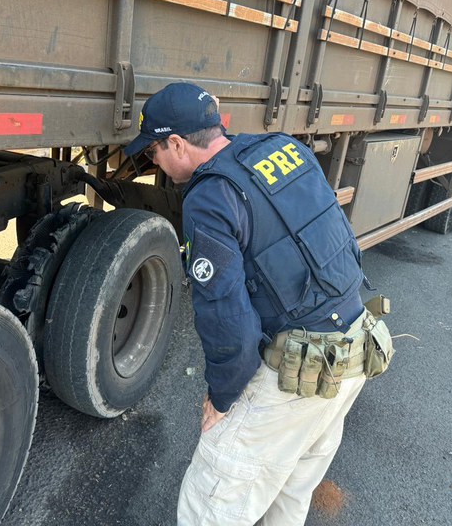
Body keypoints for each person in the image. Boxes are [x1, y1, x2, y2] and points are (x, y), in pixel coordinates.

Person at [124, 82, 392, 525]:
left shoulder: (209, 197)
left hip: (298, 376)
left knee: (210, 502)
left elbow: (227, 319)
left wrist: (222, 398)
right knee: (289, 492)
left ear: (176, 144)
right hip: (355, 351)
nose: (154, 161)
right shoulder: (282, 148)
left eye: (154, 151)